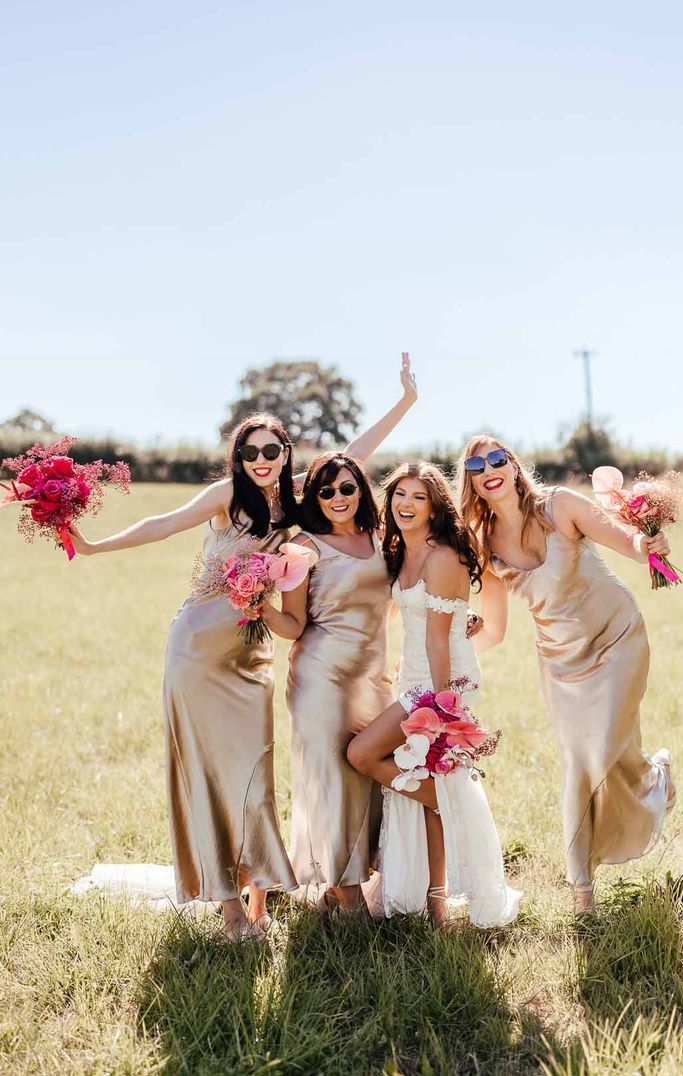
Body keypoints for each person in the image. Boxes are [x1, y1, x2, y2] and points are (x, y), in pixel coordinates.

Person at [67, 355, 418, 940]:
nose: (261, 461)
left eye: (271, 451)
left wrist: (405, 401)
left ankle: (258, 896)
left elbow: (353, 455)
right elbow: (163, 521)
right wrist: (97, 546)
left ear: (285, 455)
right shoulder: (227, 494)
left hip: (251, 655)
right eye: (250, 452)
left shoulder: (299, 499)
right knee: (210, 772)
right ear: (239, 457)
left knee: (253, 776)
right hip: (198, 649)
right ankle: (232, 912)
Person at [457, 436, 675, 914]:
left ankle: (657, 779)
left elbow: (627, 542)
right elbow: (493, 630)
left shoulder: (560, 505)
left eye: (497, 458)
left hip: (616, 636)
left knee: (604, 749)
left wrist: (647, 541)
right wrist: (446, 645)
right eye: (476, 464)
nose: (489, 468)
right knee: (579, 763)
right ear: (471, 480)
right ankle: (582, 892)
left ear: (513, 467)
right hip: (560, 662)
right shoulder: (484, 544)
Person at [347, 463, 520, 928]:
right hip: (415, 678)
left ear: (434, 505)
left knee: (363, 753)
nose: (406, 504)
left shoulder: (443, 557)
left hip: (439, 684)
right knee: (423, 789)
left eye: (418, 497)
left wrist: (442, 710)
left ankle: (446, 801)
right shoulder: (399, 550)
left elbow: (439, 639)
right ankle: (436, 904)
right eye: (399, 494)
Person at [264, 453, 392, 913]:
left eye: (346, 488)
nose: (338, 498)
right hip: (321, 678)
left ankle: (358, 879)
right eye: (326, 491)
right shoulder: (302, 547)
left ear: (361, 489)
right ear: (314, 498)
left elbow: (390, 603)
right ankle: (344, 889)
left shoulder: (380, 538)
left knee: (371, 778)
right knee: (332, 778)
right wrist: (255, 601)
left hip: (374, 679)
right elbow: (294, 624)